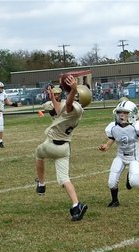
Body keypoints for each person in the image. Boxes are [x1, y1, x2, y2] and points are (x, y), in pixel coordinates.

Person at [35, 75, 92, 221]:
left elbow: (67, 105)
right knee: (64, 179)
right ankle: (76, 206)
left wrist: (72, 89)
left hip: (52, 145)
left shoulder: (76, 108)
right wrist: (51, 96)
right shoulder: (75, 108)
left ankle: (41, 184)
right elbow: (59, 107)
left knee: (38, 153)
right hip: (64, 148)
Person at [98, 100, 139, 208]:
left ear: (133, 114)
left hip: (134, 157)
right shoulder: (113, 127)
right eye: (120, 112)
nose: (122, 115)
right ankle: (115, 200)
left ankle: (129, 178)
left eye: (125, 113)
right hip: (120, 156)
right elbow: (110, 142)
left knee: (134, 182)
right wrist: (105, 147)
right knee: (111, 182)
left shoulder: (136, 127)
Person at [0, 81, 15, 148]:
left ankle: (0, 141)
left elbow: (7, 102)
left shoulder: (3, 93)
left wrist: (15, 104)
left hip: (0, 112)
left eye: (1, 88)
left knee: (0, 128)